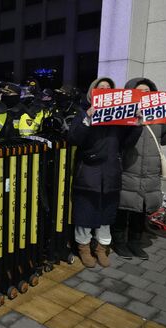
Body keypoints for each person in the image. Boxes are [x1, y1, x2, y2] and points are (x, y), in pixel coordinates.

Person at [67, 77, 143, 268]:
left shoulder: (119, 117)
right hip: (88, 173)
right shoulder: (82, 112)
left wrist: (137, 125)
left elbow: (126, 143)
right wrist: (88, 118)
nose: (105, 90)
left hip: (110, 173)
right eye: (101, 88)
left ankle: (102, 248)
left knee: (106, 214)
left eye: (109, 88)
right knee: (85, 213)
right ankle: (83, 248)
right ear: (92, 93)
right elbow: (74, 139)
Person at [113, 77, 166, 260]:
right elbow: (119, 142)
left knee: (141, 209)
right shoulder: (123, 114)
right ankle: (119, 243)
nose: (144, 94)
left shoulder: (158, 115)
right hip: (129, 168)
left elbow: (163, 140)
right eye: (140, 91)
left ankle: (134, 244)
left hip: (150, 170)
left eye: (147, 92)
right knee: (123, 208)